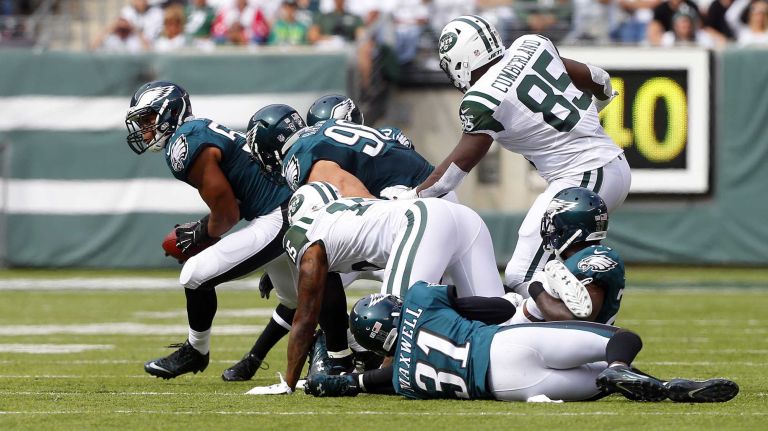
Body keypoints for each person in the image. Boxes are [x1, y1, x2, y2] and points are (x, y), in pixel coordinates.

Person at [124, 81, 345, 382]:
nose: (145, 129)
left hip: (279, 215)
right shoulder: (196, 129)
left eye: (148, 119)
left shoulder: (184, 144)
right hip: (286, 209)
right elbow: (232, 203)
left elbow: (228, 213)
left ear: (171, 112)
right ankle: (354, 352)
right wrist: (204, 228)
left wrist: (202, 234)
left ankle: (195, 350)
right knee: (297, 297)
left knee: (194, 274)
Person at [408, 16, 631, 296]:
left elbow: (453, 172)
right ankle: (593, 319)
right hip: (609, 167)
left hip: (584, 175)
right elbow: (598, 78)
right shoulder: (531, 45)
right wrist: (597, 107)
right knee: (573, 266)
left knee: (522, 274)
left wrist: (411, 198)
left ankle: (549, 334)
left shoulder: (482, 99)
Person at [300, 284, 739, 403]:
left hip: (511, 389)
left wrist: (326, 376)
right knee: (622, 341)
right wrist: (517, 302)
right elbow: (487, 308)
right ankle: (632, 373)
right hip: (505, 345)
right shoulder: (419, 301)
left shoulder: (399, 378)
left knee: (602, 383)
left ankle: (661, 389)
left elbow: (344, 384)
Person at [277, 182, 506, 391]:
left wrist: (288, 383)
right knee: (501, 323)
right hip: (462, 215)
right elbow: (331, 296)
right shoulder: (346, 211)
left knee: (394, 328)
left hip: (422, 220)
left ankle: (365, 382)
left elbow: (306, 316)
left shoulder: (302, 233)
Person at [246, 103, 434, 200]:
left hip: (410, 200)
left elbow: (348, 189)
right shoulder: (324, 126)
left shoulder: (299, 154)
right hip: (429, 184)